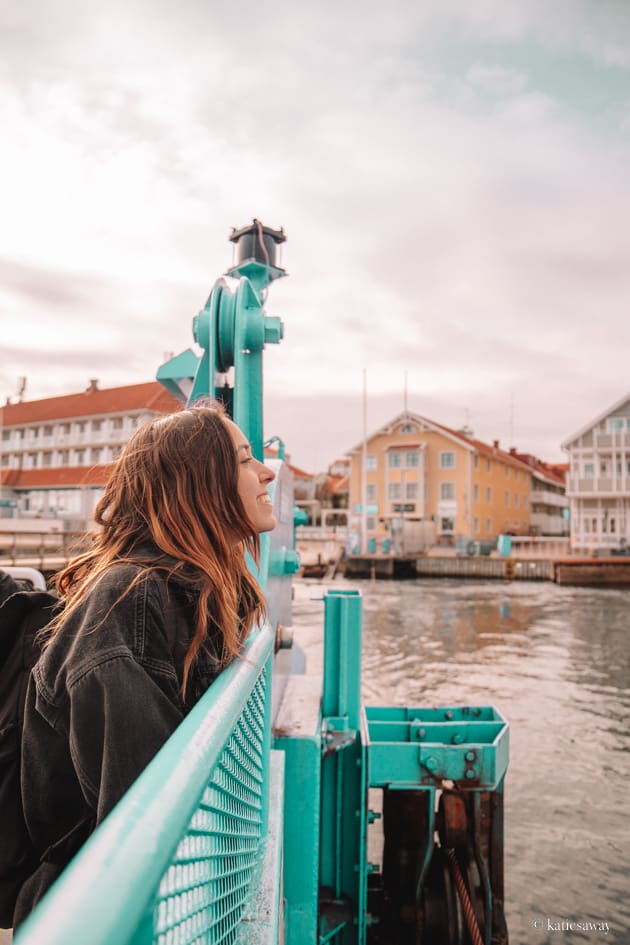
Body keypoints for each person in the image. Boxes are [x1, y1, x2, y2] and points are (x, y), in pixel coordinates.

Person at [13, 404, 276, 927]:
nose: (267, 471)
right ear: (196, 482)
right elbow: (141, 817)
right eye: (245, 459)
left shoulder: (196, 592)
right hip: (93, 913)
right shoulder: (128, 602)